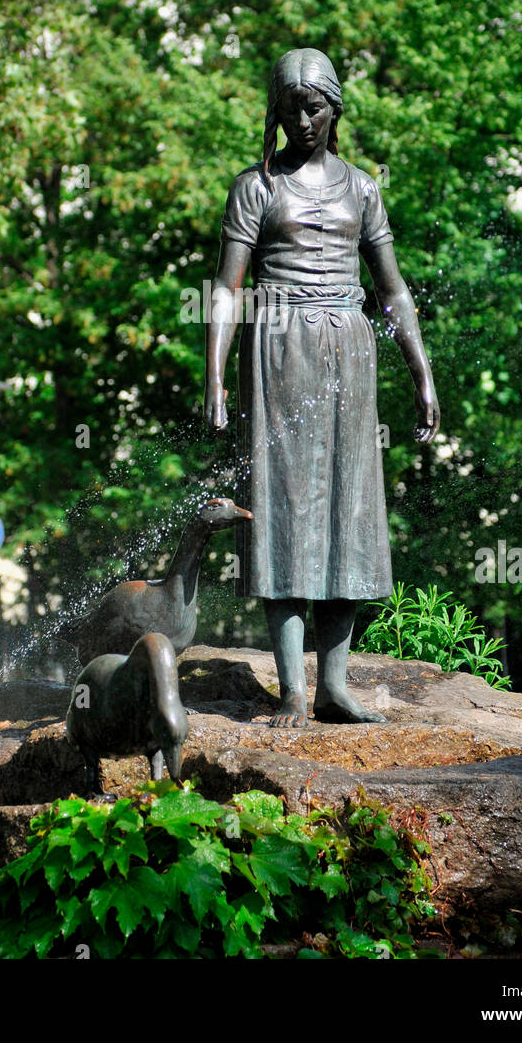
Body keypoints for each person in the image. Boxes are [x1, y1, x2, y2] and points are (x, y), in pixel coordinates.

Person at [204, 47, 440, 726]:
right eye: (288, 108)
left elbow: (392, 289)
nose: (301, 119)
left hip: (348, 347)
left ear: (336, 108)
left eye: (313, 107)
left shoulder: (362, 188)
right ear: (273, 112)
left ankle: (335, 685)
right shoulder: (256, 186)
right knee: (282, 509)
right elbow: (225, 289)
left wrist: (420, 372)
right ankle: (293, 693)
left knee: (349, 509)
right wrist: (214, 378)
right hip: (278, 347)